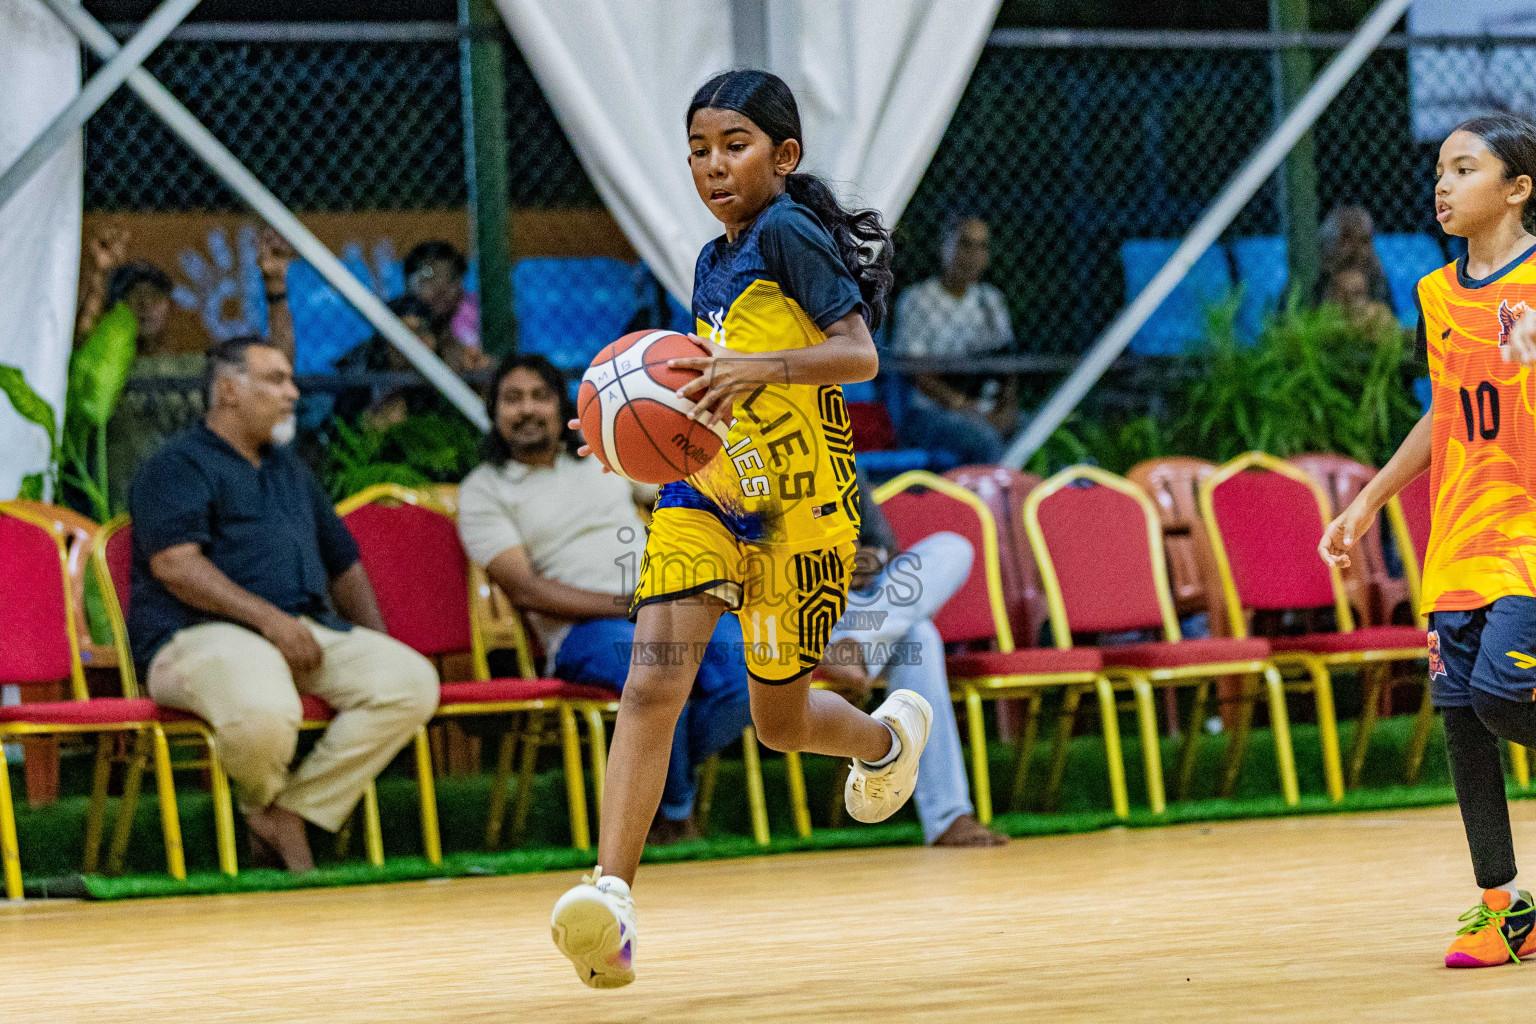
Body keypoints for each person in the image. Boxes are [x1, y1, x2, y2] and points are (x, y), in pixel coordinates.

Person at [548, 69, 932, 988]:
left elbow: (859, 354)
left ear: (783, 155)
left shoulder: (789, 234)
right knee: (652, 687)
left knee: (781, 721)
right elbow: (693, 391)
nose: (713, 166)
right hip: (711, 498)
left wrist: (760, 366)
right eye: (697, 150)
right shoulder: (710, 258)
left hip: (801, 519)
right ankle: (613, 901)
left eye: (734, 145)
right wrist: (623, 427)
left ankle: (886, 741)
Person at [1319, 113, 1536, 969]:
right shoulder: (1437, 295)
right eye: (1440, 169)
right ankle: (1502, 907)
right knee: (1461, 720)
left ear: (1518, 189)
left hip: (1528, 537)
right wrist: (1369, 499)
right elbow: (1444, 412)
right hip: (1459, 538)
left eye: (1466, 168)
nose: (1443, 185)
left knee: (1499, 694)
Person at [128, 335, 439, 873]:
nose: (293, 393)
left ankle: (290, 812)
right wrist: (269, 621)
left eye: (290, 379)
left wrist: (376, 642)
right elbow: (175, 566)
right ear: (228, 389)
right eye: (276, 380)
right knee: (263, 713)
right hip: (196, 635)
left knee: (409, 682)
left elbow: (344, 563)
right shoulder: (176, 466)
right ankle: (263, 806)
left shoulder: (289, 469)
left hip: (301, 628)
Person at [457, 353, 752, 844]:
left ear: (561, 407)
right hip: (584, 633)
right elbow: (527, 590)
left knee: (752, 670)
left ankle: (657, 777)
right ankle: (675, 815)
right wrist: (631, 605)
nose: (527, 409)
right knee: (653, 670)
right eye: (512, 399)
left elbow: (678, 492)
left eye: (539, 397)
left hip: (669, 603)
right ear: (493, 413)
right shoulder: (484, 490)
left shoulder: (604, 456)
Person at [818, 465, 1007, 846]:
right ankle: (948, 817)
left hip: (866, 606)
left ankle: (860, 647)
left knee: (953, 547)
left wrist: (862, 561)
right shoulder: (754, 473)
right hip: (805, 617)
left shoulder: (838, 466)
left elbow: (882, 549)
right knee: (921, 638)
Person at [889, 215, 1017, 464]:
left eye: (981, 246)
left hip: (984, 406)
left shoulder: (991, 300)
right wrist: (964, 407)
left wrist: (1007, 409)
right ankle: (984, 502)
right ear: (944, 248)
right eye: (964, 244)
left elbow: (1007, 365)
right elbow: (916, 374)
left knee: (1038, 428)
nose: (973, 255)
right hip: (929, 412)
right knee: (984, 440)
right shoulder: (918, 299)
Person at [1314, 205, 1392, 308]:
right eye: (1346, 239)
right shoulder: (1313, 279)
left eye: (1363, 241)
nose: (1356, 248)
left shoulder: (1376, 277)